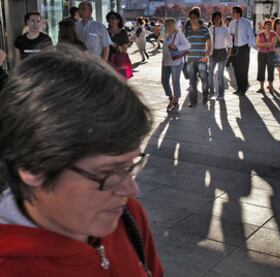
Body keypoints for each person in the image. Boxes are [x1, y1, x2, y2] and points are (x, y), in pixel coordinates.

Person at [0, 48, 163, 276]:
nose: (131, 189)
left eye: (129, 166)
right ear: (33, 167)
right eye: (108, 172)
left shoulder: (128, 217)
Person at [161, 18, 191, 112]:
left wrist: (177, 47)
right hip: (166, 62)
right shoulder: (166, 35)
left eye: (165, 25)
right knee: (164, 80)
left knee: (175, 82)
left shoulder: (178, 35)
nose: (164, 26)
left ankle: (175, 100)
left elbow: (188, 45)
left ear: (170, 25)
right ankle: (170, 97)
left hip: (176, 62)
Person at [185, 7, 211, 107]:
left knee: (204, 80)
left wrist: (207, 56)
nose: (192, 19)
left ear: (198, 18)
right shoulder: (187, 30)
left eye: (194, 17)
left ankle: (205, 96)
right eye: (191, 17)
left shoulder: (204, 29)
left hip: (201, 60)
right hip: (190, 60)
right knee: (192, 82)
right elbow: (185, 43)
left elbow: (209, 44)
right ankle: (193, 101)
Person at [228, 6, 255, 96]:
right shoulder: (231, 23)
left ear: (238, 13)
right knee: (236, 69)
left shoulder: (246, 23)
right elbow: (230, 35)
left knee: (243, 69)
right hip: (235, 48)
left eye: (234, 12)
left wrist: (249, 47)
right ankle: (239, 88)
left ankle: (243, 89)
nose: (232, 14)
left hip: (244, 47)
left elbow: (251, 35)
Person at [208, 11, 232, 100]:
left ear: (221, 18)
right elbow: (207, 42)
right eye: (215, 18)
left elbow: (230, 42)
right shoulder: (210, 29)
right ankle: (211, 93)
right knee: (210, 74)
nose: (217, 20)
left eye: (218, 18)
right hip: (212, 53)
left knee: (220, 75)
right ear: (213, 19)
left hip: (222, 52)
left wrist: (228, 54)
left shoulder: (225, 29)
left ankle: (221, 94)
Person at [255, 20, 276, 93]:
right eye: (267, 25)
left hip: (271, 54)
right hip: (261, 54)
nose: (269, 26)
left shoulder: (273, 34)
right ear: (264, 25)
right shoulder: (260, 34)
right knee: (261, 70)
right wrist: (266, 43)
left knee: (271, 70)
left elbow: (272, 44)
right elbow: (257, 44)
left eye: (270, 25)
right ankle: (261, 88)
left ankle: (270, 87)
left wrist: (263, 44)